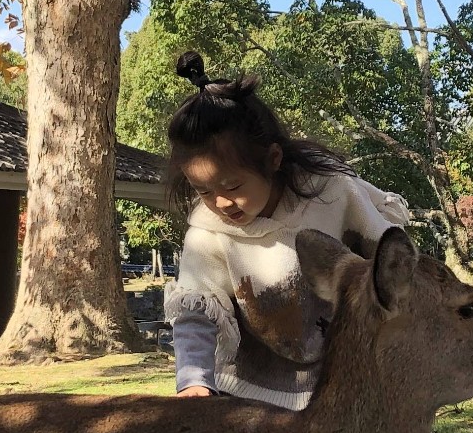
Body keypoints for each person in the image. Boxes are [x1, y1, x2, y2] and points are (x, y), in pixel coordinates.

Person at [165, 52, 410, 409]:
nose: (219, 203)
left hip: (344, 373)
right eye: (203, 191)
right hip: (249, 386)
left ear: (273, 159)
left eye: (232, 187)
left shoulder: (333, 192)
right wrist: (194, 380)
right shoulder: (207, 232)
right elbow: (195, 312)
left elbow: (394, 262)